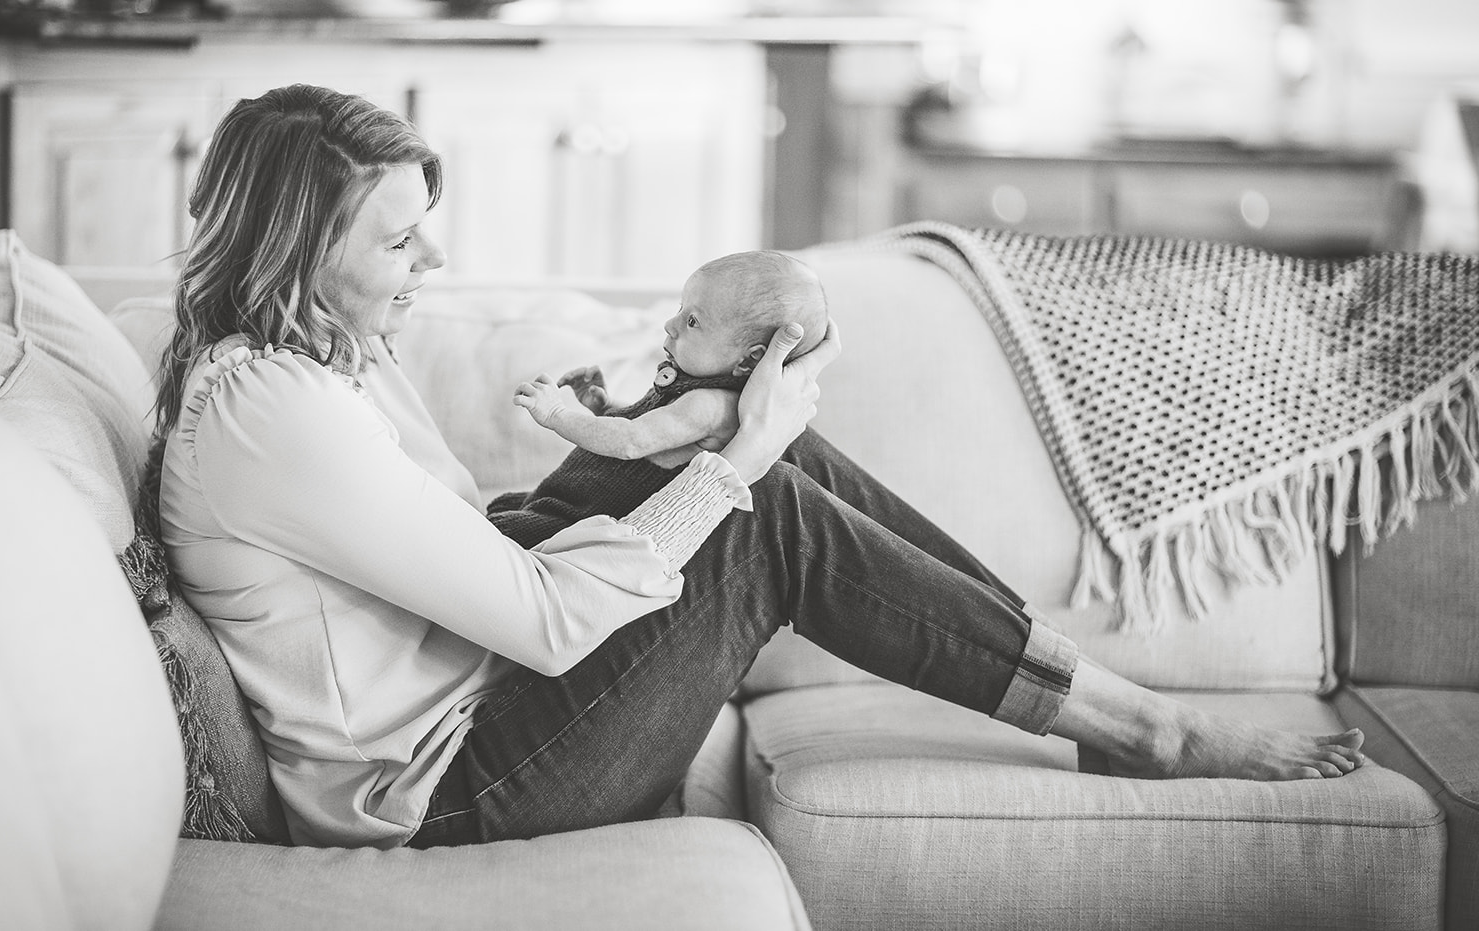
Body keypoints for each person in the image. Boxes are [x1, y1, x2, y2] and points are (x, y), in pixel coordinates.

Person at [152, 83, 1366, 852]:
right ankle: (1135, 722)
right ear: (302, 245)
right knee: (758, 501)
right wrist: (734, 458)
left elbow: (469, 537)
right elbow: (538, 621)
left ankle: (1059, 680)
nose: (437, 252)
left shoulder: (314, 358)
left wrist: (667, 447)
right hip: (449, 792)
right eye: (400, 234)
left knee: (725, 441)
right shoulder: (272, 409)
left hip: (473, 695)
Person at [488, 249, 828, 549]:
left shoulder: (709, 404)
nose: (670, 324)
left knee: (507, 534)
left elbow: (631, 443)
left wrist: (556, 414)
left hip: (587, 516)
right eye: (681, 309)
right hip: (573, 498)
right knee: (508, 513)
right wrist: (604, 406)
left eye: (692, 321)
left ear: (749, 360)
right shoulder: (689, 388)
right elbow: (648, 427)